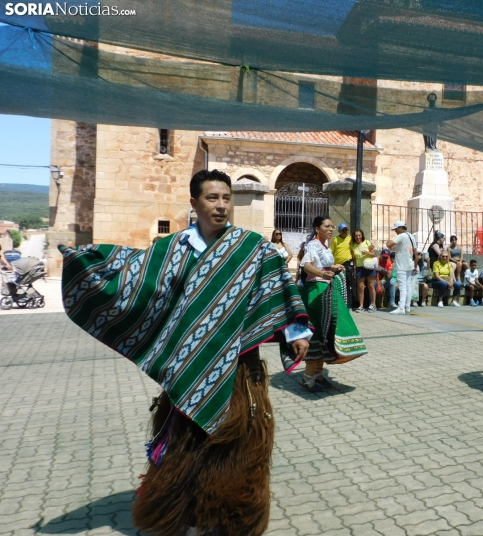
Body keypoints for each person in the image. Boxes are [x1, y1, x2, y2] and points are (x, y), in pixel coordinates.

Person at [60, 169, 312, 536]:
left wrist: (296, 330)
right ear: (194, 203)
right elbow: (134, 280)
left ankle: (229, 516)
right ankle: (183, 513)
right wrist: (84, 262)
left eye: (226, 198)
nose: (221, 206)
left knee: (237, 448)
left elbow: (280, 287)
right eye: (212, 198)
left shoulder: (251, 247)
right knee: (186, 446)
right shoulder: (171, 249)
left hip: (240, 371)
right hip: (185, 370)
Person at [300, 215, 367, 391]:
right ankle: (308, 377)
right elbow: (306, 265)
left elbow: (322, 265)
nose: (331, 229)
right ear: (317, 229)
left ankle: (318, 373)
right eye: (327, 226)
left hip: (326, 289)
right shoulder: (313, 244)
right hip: (316, 290)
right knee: (317, 331)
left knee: (326, 331)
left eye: (332, 226)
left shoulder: (325, 245)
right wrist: (322, 274)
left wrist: (334, 267)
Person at [386, 220, 417, 315]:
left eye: (396, 229)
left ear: (400, 228)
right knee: (408, 286)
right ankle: (407, 307)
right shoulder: (412, 236)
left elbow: (389, 244)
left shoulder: (401, 236)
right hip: (409, 264)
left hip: (401, 265)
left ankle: (401, 308)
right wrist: (415, 265)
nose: (395, 231)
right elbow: (415, 251)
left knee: (402, 286)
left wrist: (388, 241)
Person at [351, 228, 376, 312]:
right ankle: (361, 305)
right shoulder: (353, 245)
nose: (358, 237)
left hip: (369, 266)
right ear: (354, 237)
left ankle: (373, 305)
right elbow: (354, 258)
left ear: (362, 235)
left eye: (359, 235)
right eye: (356, 236)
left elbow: (373, 254)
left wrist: (367, 252)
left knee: (371, 286)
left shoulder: (367, 242)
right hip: (359, 267)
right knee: (361, 287)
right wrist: (354, 268)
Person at [330, 222, 355, 308]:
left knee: (348, 284)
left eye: (346, 230)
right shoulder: (335, 239)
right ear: (339, 231)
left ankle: (349, 304)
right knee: (338, 283)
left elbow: (353, 251)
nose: (345, 231)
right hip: (337, 265)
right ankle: (339, 303)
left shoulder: (350, 239)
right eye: (343, 230)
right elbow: (331, 252)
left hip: (348, 263)